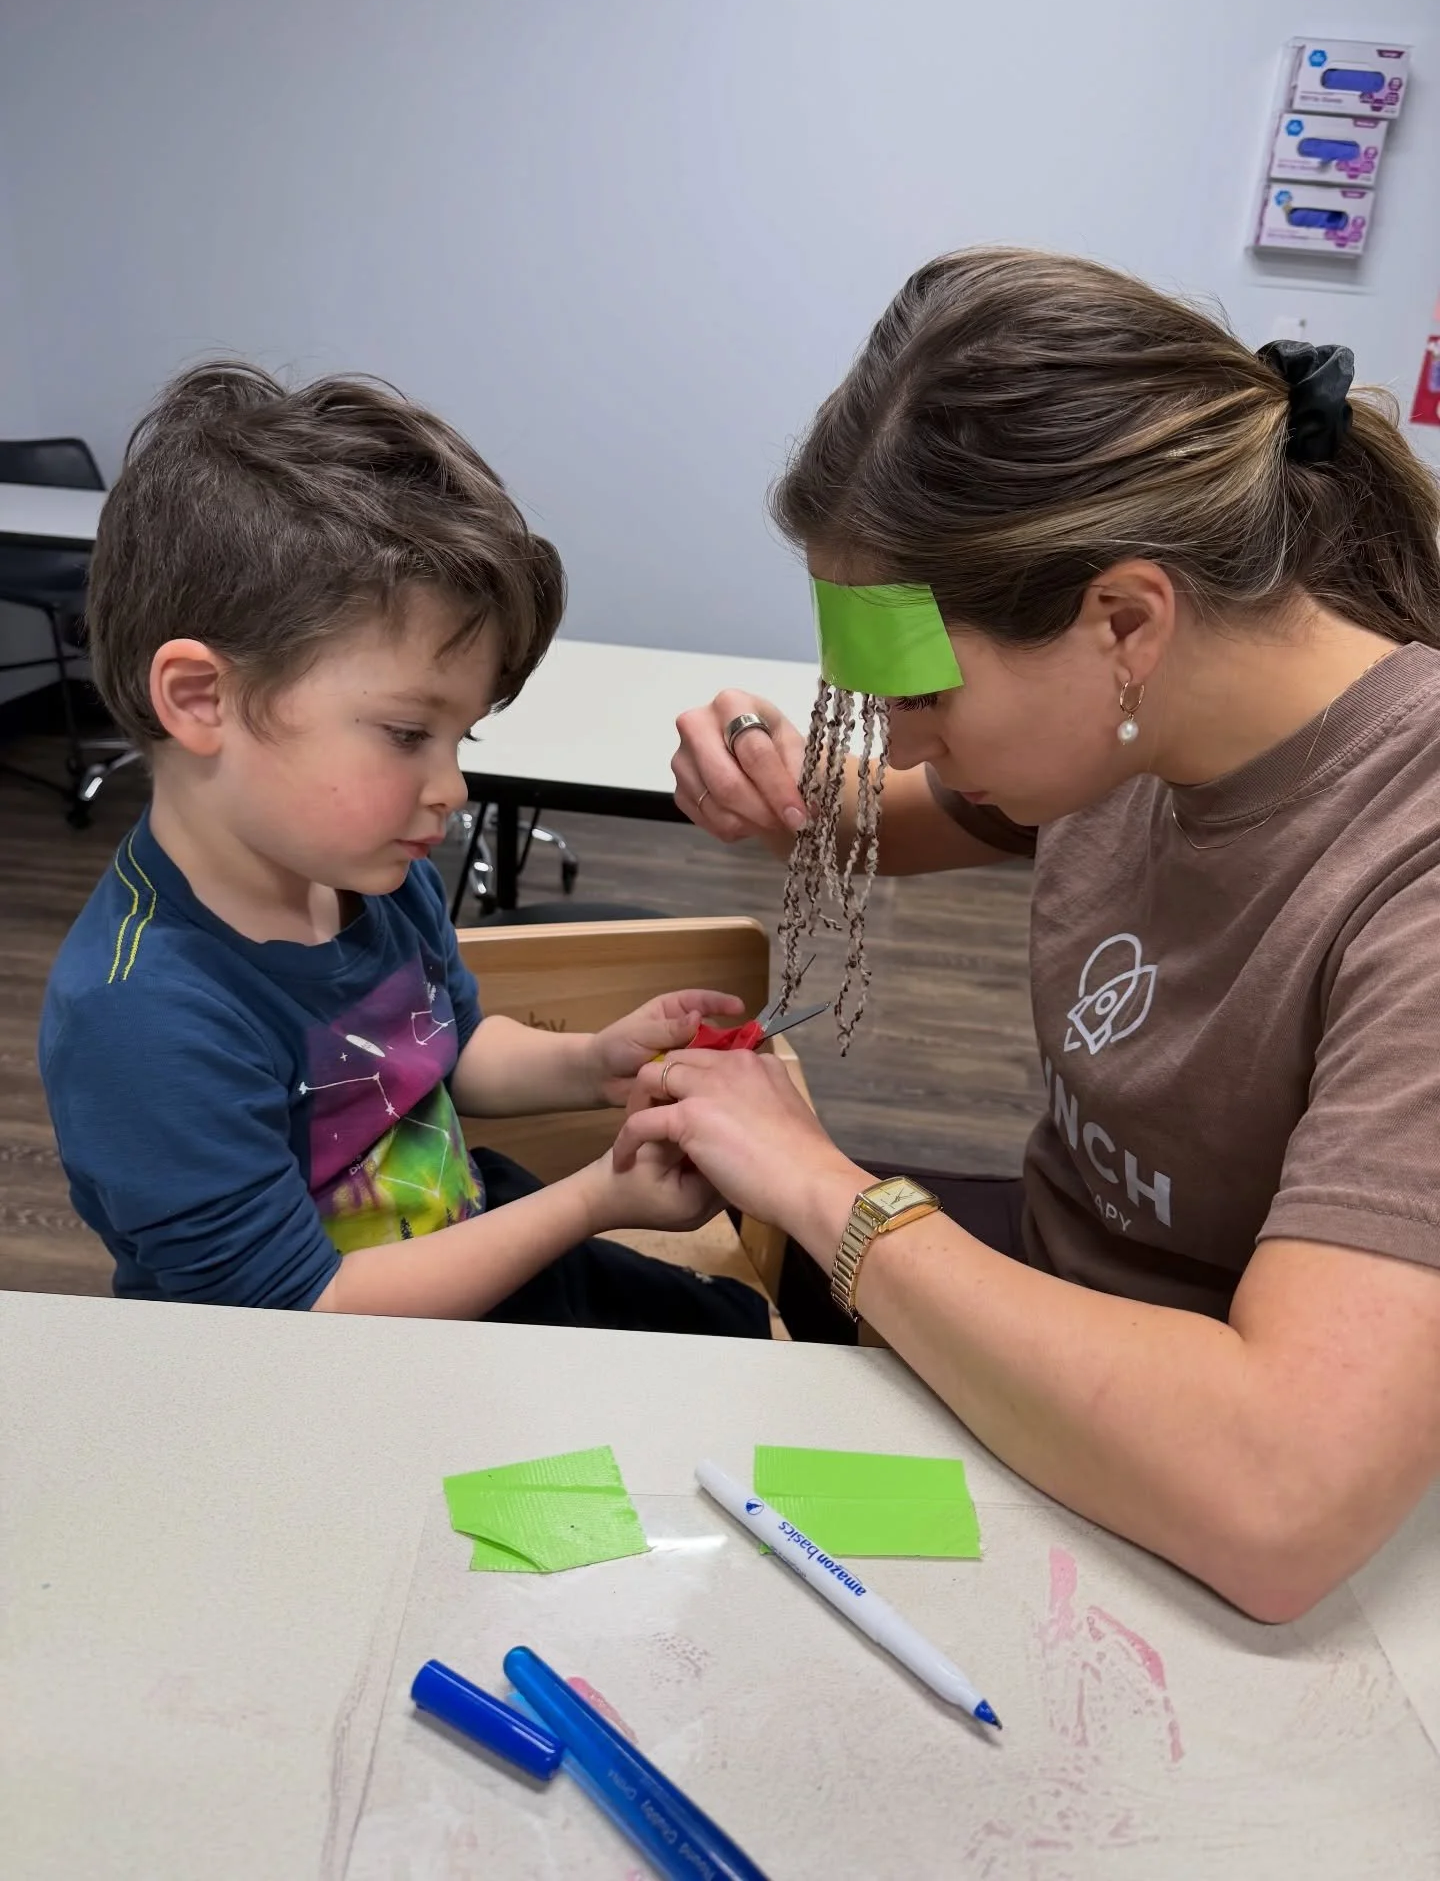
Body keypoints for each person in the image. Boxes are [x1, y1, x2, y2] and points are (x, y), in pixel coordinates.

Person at [634, 248, 1440, 1618]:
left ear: (1123, 620)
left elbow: (1280, 1497)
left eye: (921, 702)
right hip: (1039, 1302)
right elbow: (902, 805)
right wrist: (776, 777)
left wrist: (822, 1187)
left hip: (1193, 1481)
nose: (894, 741)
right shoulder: (1153, 713)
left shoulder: (1403, 862)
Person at [39, 363, 768, 1336]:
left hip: (465, 1230)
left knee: (737, 1335)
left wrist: (592, 1061)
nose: (451, 788)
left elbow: (446, 1052)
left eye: (461, 738)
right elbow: (304, 1318)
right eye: (405, 734)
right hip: (326, 1371)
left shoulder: (371, 876)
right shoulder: (141, 1017)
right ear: (202, 699)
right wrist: (599, 1198)